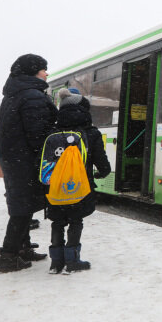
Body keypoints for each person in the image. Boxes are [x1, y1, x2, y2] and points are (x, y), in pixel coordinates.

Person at [0, 54, 57, 274]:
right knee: (22, 208)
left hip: (14, 157)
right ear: (33, 71)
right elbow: (38, 134)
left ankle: (22, 249)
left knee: (23, 205)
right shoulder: (32, 96)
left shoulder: (14, 94)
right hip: (26, 159)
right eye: (43, 69)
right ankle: (9, 256)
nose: (46, 73)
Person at [48, 88, 112, 274]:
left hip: (55, 186)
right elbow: (101, 161)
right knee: (76, 220)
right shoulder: (91, 132)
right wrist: (104, 172)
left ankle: (56, 263)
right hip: (79, 185)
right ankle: (72, 260)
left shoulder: (53, 130)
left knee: (57, 221)